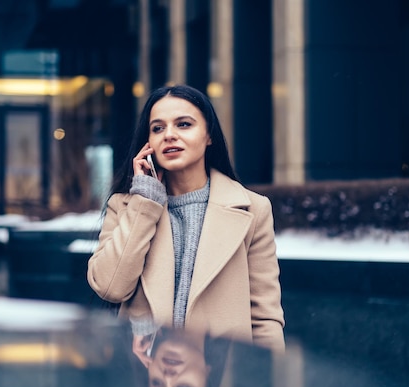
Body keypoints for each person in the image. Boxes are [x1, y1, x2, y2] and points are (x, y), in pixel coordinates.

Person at [87, 84, 285, 351]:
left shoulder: (253, 209)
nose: (169, 135)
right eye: (157, 128)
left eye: (183, 124)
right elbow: (110, 287)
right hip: (147, 375)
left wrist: (267, 385)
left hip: (224, 378)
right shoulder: (125, 206)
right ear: (148, 142)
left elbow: (264, 317)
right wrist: (145, 202)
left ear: (208, 136)